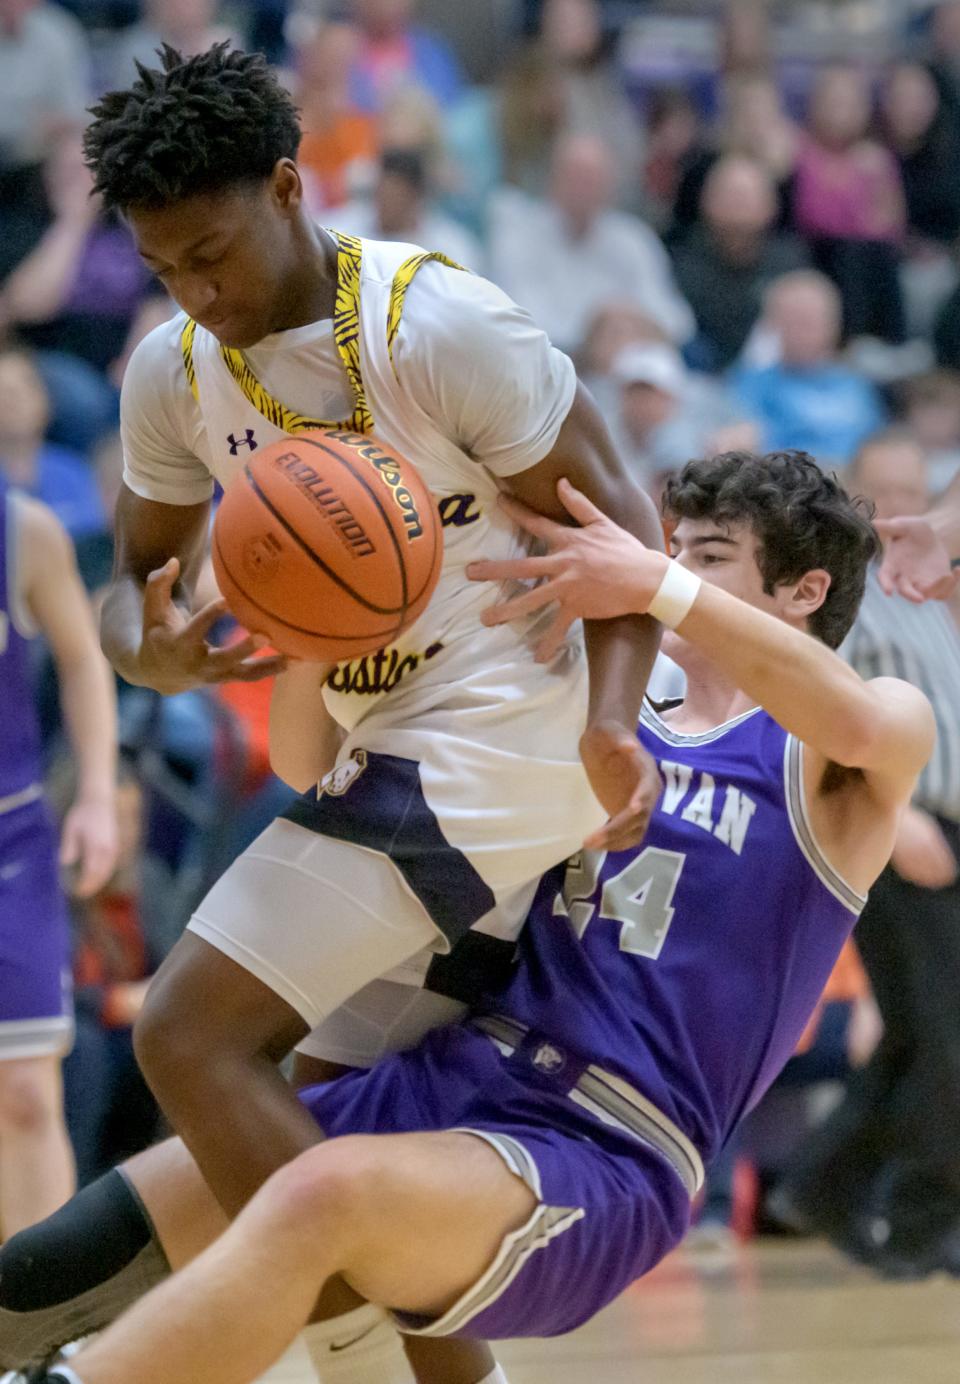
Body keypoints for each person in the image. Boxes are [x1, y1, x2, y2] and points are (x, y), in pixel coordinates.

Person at [4, 449, 934, 1384]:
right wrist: (322, 638)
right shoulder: (599, 705)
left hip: (605, 1145)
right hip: (452, 1075)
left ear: (805, 589)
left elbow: (866, 726)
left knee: (317, 1193)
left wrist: (653, 583)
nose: (671, 568)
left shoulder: (832, 747)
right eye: (672, 548)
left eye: (710, 556)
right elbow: (305, 764)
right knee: (94, 1239)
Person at [79, 41, 663, 1384]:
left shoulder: (441, 325)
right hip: (375, 736)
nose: (197, 290)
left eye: (213, 252)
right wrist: (150, 654)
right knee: (307, 1110)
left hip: (518, 713)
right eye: (167, 267)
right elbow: (134, 585)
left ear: (290, 185)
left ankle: (351, 1360)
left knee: (189, 1032)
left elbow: (624, 533)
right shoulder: (172, 372)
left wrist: (616, 720)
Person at [774, 432, 960, 1275]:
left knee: (921, 1037)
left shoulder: (936, 589)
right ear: (856, 500)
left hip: (949, 825)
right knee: (945, 1040)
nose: (900, 507)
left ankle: (824, 1185)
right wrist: (903, 812)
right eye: (883, 491)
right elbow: (818, 707)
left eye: (914, 488)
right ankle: (924, 1223)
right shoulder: (844, 596)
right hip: (894, 822)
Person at [0, 477, 117, 1239]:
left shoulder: (22, 529)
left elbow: (83, 659)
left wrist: (99, 795)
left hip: (10, 839)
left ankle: (36, 1335)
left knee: (27, 1094)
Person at [489, 133, 695, 355]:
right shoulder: (518, 240)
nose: (583, 189)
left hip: (626, 367)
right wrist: (595, 338)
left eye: (593, 179)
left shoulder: (634, 240)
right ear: (554, 179)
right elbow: (514, 322)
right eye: (575, 177)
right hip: (547, 368)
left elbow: (675, 321)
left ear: (611, 184)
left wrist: (631, 324)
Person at [732, 271, 886, 467]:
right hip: (788, 486)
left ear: (834, 324)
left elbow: (878, 445)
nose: (802, 331)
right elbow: (743, 445)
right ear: (772, 324)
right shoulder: (751, 384)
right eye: (793, 320)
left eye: (811, 320)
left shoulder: (858, 386)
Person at [670, 154, 808, 372]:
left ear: (771, 205)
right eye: (729, 195)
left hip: (774, 379)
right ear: (705, 200)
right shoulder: (680, 260)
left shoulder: (790, 262)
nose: (737, 205)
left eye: (746, 196)